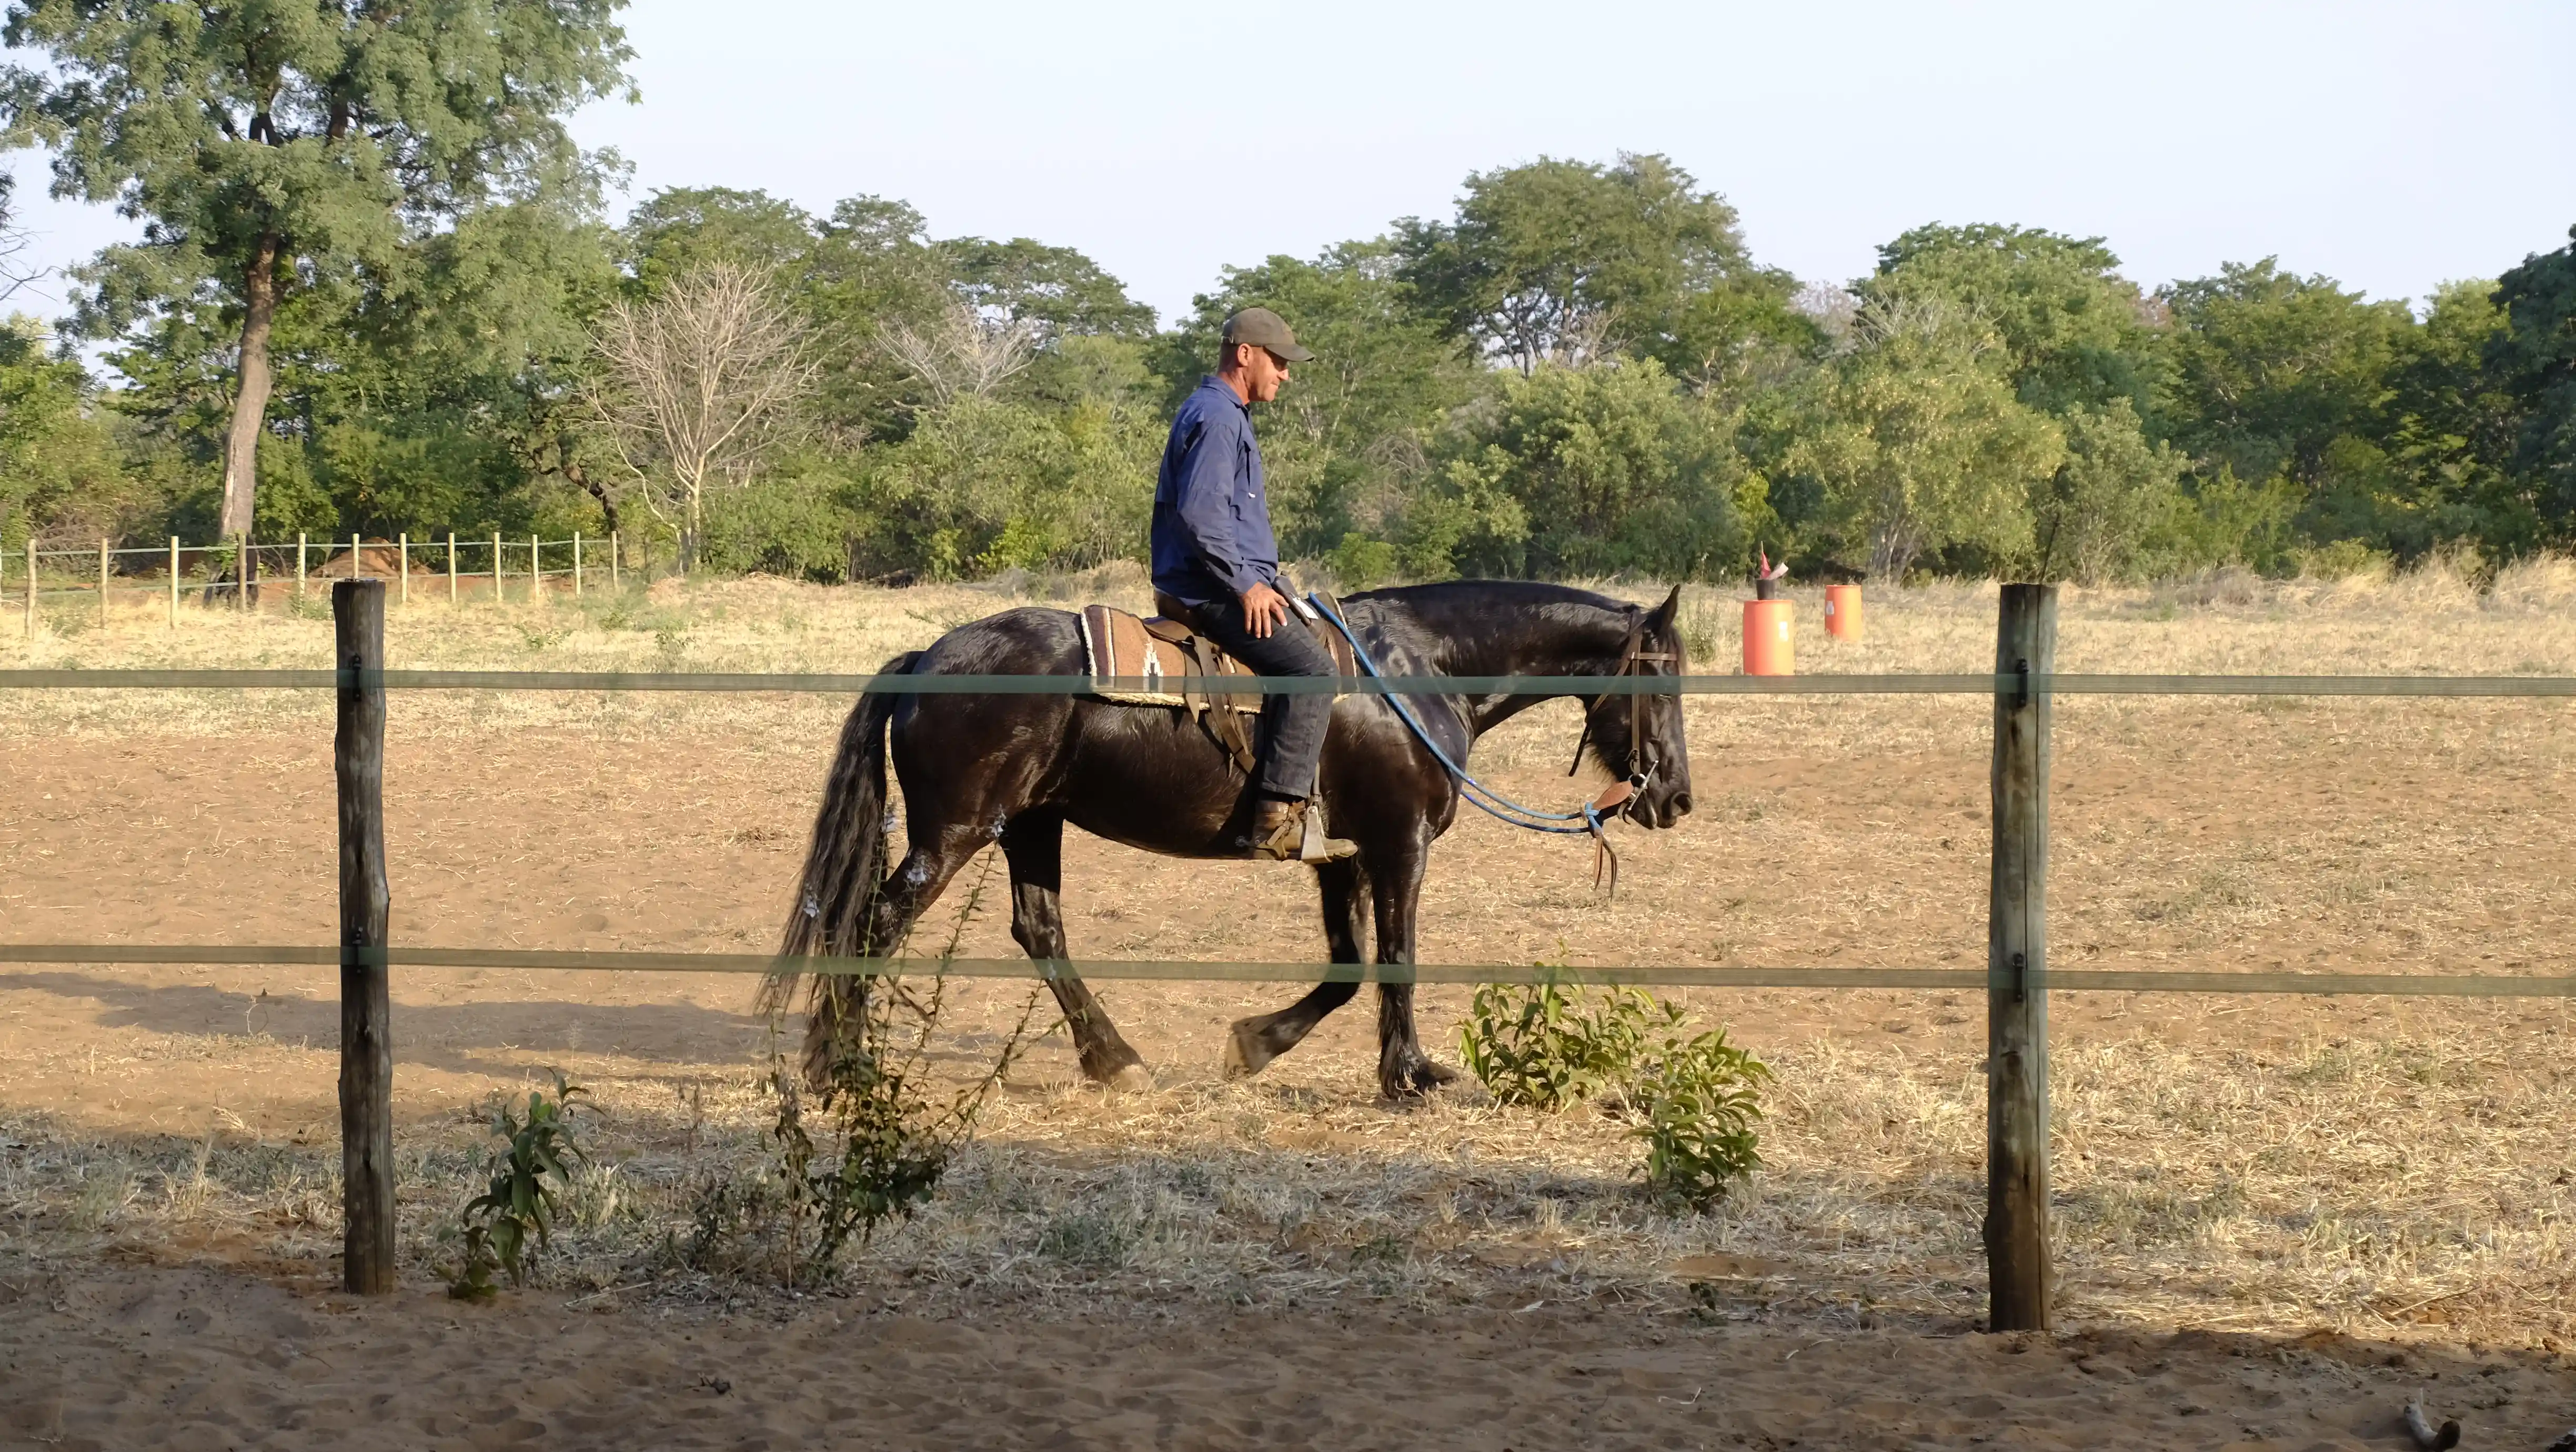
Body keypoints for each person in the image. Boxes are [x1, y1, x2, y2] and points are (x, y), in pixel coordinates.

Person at [1150, 307, 1357, 862]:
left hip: (1221, 582)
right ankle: (1279, 815)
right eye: (1279, 362)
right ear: (1246, 354)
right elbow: (1201, 516)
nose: (1286, 375)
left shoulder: (1225, 414)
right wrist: (1247, 584)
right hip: (1210, 591)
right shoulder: (1218, 418)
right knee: (1313, 670)